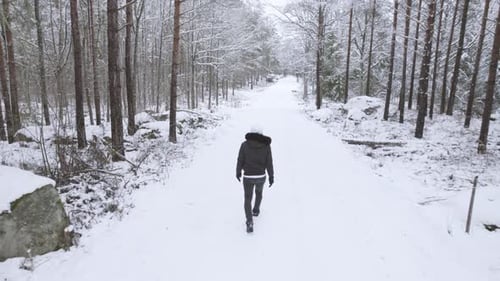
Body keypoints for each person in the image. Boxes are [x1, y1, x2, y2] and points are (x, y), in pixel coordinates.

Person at [236, 126, 274, 233]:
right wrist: (271, 176)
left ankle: (249, 222)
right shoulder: (266, 146)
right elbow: (269, 162)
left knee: (247, 198)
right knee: (259, 193)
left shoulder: (244, 145)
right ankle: (256, 210)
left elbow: (240, 159)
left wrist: (238, 172)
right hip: (260, 176)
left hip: (248, 176)